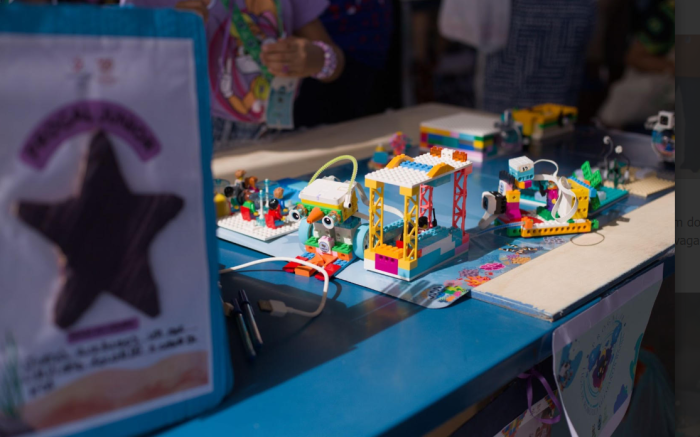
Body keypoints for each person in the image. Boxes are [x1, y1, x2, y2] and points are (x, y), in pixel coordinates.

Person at [125, 0, 346, 150]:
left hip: (276, 135)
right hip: (189, 144)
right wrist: (166, 38)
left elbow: (335, 61)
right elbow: (126, 78)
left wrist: (318, 58)